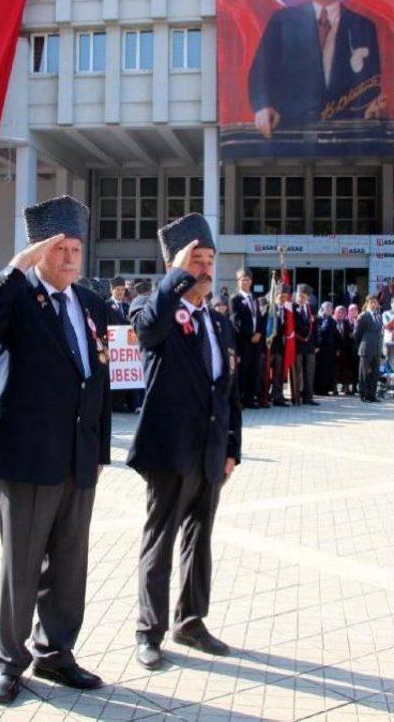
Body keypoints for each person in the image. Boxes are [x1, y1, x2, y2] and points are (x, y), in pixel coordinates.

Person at [0, 195, 111, 705]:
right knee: (22, 567)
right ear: (38, 252)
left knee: (70, 565)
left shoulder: (90, 304)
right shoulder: (17, 299)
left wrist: (100, 447)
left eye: (76, 247)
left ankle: (56, 653)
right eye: (60, 248)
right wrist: (18, 265)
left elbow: (99, 377)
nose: (71, 257)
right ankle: (9, 662)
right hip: (27, 457)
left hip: (78, 456)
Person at [127, 213, 241, 670]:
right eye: (197, 259)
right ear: (175, 264)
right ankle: (148, 631)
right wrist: (175, 275)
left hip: (210, 451)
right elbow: (148, 327)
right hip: (169, 449)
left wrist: (232, 446)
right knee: (161, 540)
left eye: (211, 259)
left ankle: (191, 621)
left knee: (200, 538)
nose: (206, 269)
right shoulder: (153, 312)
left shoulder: (217, 322)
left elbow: (229, 389)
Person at [249, 0, 384, 138]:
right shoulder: (283, 21)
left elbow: (369, 83)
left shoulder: (363, 26)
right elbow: (261, 70)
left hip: (345, 138)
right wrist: (263, 105)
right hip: (290, 133)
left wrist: (370, 107)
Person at [230, 269, 263, 409]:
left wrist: (259, 333)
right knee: (242, 372)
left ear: (251, 281)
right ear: (238, 282)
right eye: (242, 279)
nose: (245, 282)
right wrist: (250, 336)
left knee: (254, 371)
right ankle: (240, 400)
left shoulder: (254, 298)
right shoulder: (235, 299)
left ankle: (250, 399)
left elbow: (259, 318)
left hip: (256, 342)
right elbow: (235, 322)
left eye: (248, 279)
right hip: (243, 342)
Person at [354, 296, 383, 402]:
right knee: (364, 373)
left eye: (376, 302)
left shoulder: (379, 316)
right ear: (368, 303)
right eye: (372, 302)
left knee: (374, 374)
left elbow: (380, 334)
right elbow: (358, 334)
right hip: (365, 349)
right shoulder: (364, 316)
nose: (374, 304)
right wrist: (360, 346)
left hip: (376, 350)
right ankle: (364, 395)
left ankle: (372, 395)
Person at [293, 284, 318, 406]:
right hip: (297, 344)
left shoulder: (311, 308)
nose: (302, 298)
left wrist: (316, 343)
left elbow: (315, 328)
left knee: (309, 371)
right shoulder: (291, 308)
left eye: (304, 296)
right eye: (300, 296)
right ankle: (296, 396)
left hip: (309, 345)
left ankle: (308, 397)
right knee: (297, 371)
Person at [268, 285, 290, 406]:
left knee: (278, 373)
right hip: (269, 346)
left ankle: (277, 396)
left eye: (284, 297)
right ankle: (264, 396)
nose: (282, 299)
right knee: (266, 373)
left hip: (280, 348)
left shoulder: (287, 312)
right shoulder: (269, 309)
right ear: (275, 296)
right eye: (280, 296)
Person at [315, 302, 337, 395]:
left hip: (329, 349)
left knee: (327, 369)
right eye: (327, 307)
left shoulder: (332, 320)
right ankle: (317, 389)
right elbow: (318, 332)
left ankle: (325, 389)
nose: (329, 309)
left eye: (330, 307)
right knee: (319, 369)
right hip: (319, 348)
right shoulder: (318, 319)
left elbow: (335, 335)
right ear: (322, 308)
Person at [333, 305, 354, 395]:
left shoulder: (346, 323)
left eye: (342, 313)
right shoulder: (332, 322)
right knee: (334, 369)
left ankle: (346, 388)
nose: (340, 314)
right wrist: (336, 349)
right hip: (334, 350)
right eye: (339, 312)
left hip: (345, 350)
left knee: (346, 369)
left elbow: (349, 336)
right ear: (335, 313)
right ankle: (334, 388)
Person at [347, 303, 361, 394]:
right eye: (351, 310)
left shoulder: (360, 321)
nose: (353, 311)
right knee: (348, 368)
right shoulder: (345, 321)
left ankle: (355, 387)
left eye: (355, 310)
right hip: (347, 348)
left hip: (357, 348)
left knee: (356, 368)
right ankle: (346, 387)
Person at [383, 297, 394, 370]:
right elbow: (387, 326)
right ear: (391, 304)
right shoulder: (386, 313)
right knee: (389, 363)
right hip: (389, 342)